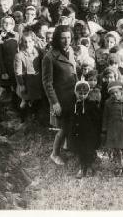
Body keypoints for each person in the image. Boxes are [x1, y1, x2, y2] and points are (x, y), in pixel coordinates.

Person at [42, 25, 77, 166]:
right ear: (57, 39)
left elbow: (73, 70)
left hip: (72, 96)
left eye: (68, 37)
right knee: (63, 128)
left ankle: (68, 146)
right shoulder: (49, 57)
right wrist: (54, 103)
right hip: (61, 98)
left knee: (71, 123)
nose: (66, 41)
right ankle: (54, 154)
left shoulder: (71, 50)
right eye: (63, 38)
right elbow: (47, 83)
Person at [101, 81, 123, 178]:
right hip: (113, 129)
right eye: (112, 93)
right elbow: (105, 117)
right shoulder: (108, 103)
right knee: (117, 150)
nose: (114, 95)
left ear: (121, 91)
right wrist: (104, 130)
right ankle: (119, 165)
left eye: (116, 92)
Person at [71, 79, 100, 179]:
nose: (82, 96)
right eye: (80, 93)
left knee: (89, 150)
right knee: (80, 150)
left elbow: (97, 120)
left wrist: (97, 133)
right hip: (79, 133)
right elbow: (72, 119)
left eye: (84, 93)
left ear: (88, 93)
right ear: (75, 92)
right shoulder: (74, 105)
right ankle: (82, 166)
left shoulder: (92, 105)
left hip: (89, 134)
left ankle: (90, 165)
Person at [14, 31, 44, 122]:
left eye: (30, 41)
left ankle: (34, 116)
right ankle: (22, 118)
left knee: (36, 99)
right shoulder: (19, 55)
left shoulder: (38, 52)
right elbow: (18, 72)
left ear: (34, 42)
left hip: (37, 81)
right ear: (22, 43)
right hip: (26, 82)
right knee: (25, 101)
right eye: (25, 42)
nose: (28, 44)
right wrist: (21, 84)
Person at [0, 15, 19, 103]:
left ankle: (15, 108)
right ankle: (0, 110)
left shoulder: (17, 35)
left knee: (15, 90)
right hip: (4, 68)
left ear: (13, 25)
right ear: (2, 24)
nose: (8, 24)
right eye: (5, 23)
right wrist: (3, 72)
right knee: (3, 91)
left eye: (10, 23)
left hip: (15, 67)